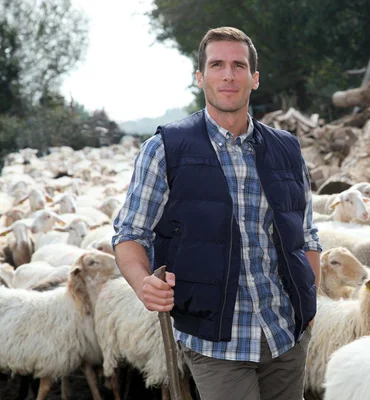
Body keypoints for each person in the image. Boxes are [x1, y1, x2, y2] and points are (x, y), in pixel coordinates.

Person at [112, 26, 322, 400]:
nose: (228, 74)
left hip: (285, 334)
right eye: (217, 64)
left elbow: (306, 237)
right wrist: (144, 284)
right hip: (215, 340)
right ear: (200, 76)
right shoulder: (164, 150)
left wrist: (307, 307)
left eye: (239, 66)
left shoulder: (287, 150)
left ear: (254, 78)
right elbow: (130, 235)